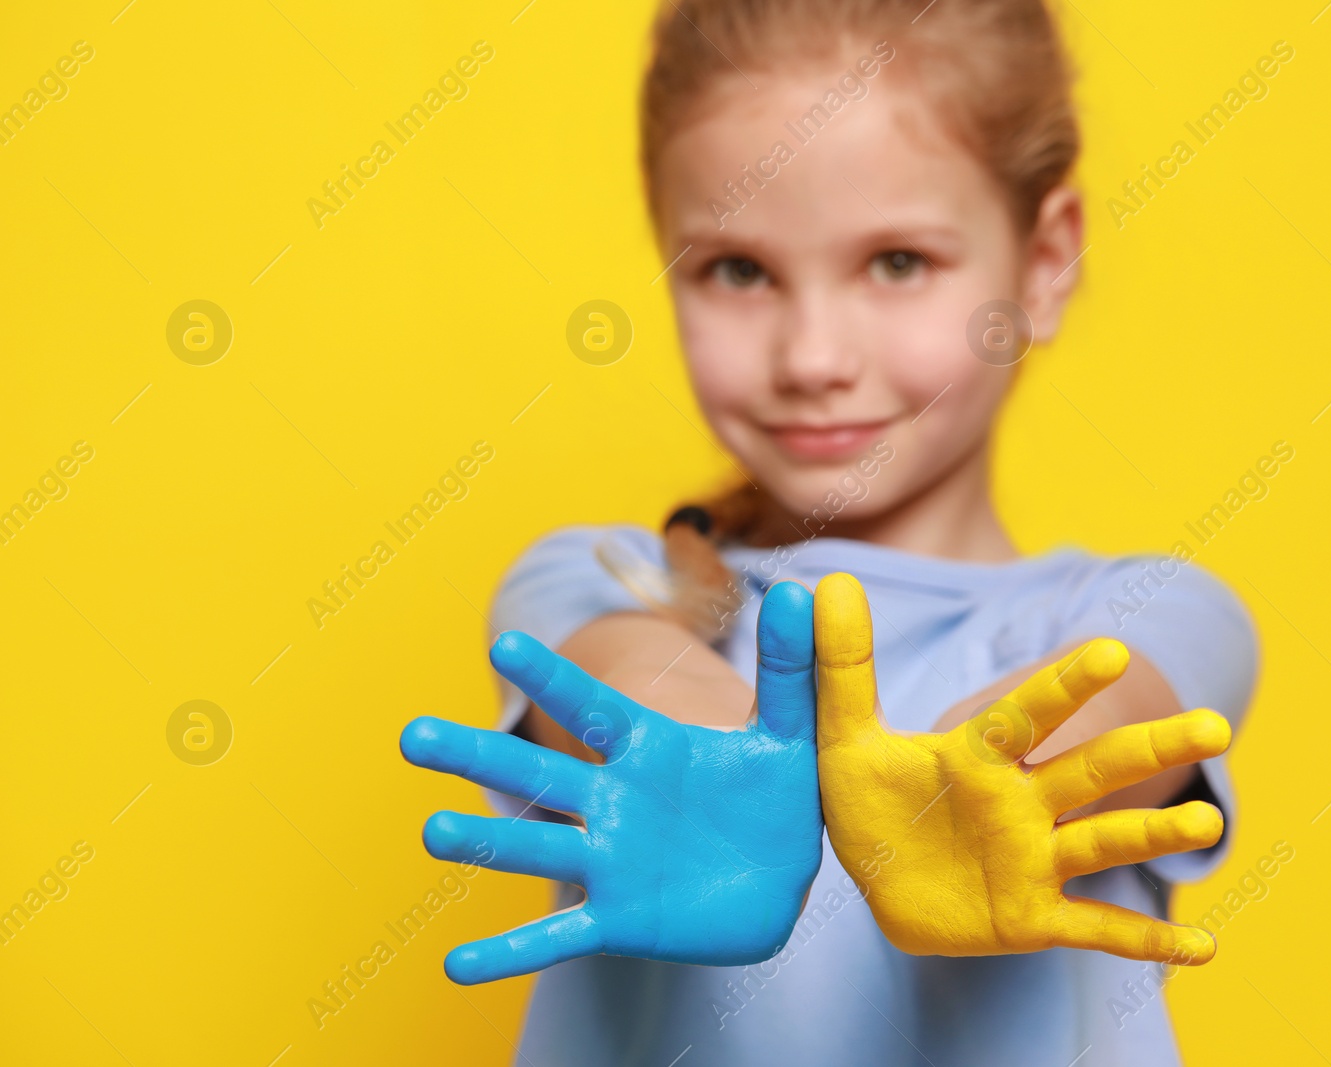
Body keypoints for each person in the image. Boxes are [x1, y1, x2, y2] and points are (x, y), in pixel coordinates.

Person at [429, 0, 1257, 1061]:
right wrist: (713, 760)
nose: (812, 355)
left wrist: (968, 791)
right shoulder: (601, 579)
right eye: (737, 269)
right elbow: (635, 678)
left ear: (1044, 262)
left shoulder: (1150, 610)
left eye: (899, 261)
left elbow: (1099, 717)